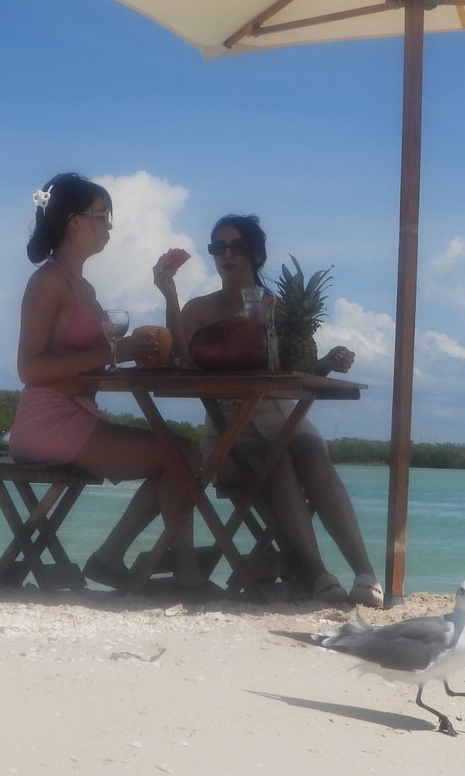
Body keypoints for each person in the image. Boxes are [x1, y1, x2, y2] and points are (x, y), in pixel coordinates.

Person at [157, 213, 383, 607]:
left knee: (312, 454)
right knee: (272, 461)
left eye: (237, 246)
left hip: (281, 419)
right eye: (218, 247)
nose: (226, 255)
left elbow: (298, 368)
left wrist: (327, 361)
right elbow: (183, 360)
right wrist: (170, 296)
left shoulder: (279, 310)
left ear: (256, 254)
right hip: (228, 431)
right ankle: (316, 573)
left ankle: (366, 574)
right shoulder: (199, 310)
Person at [8, 172, 210, 592]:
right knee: (182, 454)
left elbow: (89, 362)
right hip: (49, 424)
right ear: (74, 221)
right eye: (103, 216)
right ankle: (178, 570)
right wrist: (116, 353)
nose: (109, 227)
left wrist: (137, 352)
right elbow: (29, 369)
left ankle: (116, 556)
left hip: (77, 415)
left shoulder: (82, 286)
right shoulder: (48, 283)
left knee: (181, 454)